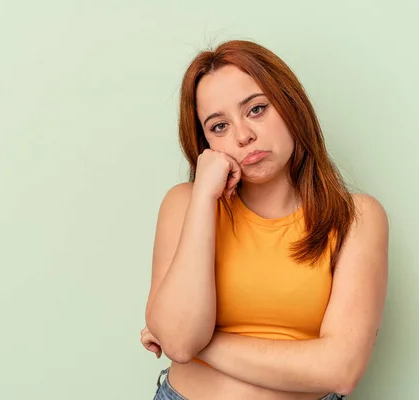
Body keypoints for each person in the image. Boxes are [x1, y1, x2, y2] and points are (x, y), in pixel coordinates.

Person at [140, 39, 389, 400]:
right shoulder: (185, 204)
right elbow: (178, 338)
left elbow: (340, 370)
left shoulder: (356, 218)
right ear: (204, 142)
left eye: (256, 109)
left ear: (290, 105)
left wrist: (197, 345)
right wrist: (204, 197)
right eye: (218, 126)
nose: (243, 136)